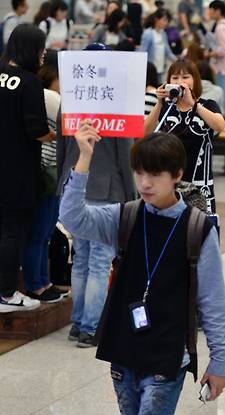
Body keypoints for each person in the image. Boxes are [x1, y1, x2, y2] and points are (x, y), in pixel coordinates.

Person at [59, 128, 225, 415]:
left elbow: (212, 302)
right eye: (139, 173)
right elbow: (72, 218)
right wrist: (84, 157)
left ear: (177, 174)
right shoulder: (124, 217)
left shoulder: (196, 229)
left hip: (167, 356)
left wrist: (219, 360)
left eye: (155, 174)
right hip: (123, 351)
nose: (145, 183)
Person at [56, 43, 137, 347]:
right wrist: (131, 194)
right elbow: (124, 154)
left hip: (75, 185)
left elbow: (64, 151)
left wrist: (62, 186)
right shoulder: (116, 101)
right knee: (101, 261)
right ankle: (91, 327)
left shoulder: (70, 101)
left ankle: (78, 323)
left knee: (81, 259)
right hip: (107, 190)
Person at [0, 24, 53, 313]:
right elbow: (36, 131)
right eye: (42, 49)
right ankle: (6, 294)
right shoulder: (29, 82)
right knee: (12, 232)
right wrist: (57, 135)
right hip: (17, 170)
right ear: (31, 49)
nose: (43, 55)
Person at [144, 59, 225, 217]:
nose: (180, 82)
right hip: (170, 183)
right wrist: (159, 103)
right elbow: (146, 133)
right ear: (168, 82)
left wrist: (194, 105)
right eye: (174, 78)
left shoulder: (207, 105)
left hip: (200, 183)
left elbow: (219, 125)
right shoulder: (166, 108)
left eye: (185, 77)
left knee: (200, 230)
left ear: (195, 80)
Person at [21, 50, 67, 304]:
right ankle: (36, 284)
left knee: (44, 232)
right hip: (46, 171)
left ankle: (41, 281)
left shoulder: (45, 94)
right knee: (40, 232)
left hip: (48, 171)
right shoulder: (49, 96)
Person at [207, 0, 225, 120]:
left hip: (221, 67)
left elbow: (223, 49)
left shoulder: (221, 28)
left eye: (211, 10)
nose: (209, 13)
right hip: (223, 66)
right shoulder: (223, 25)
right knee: (224, 95)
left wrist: (210, 54)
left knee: (224, 96)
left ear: (218, 11)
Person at [139, 9, 177, 83]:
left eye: (167, 21)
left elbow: (168, 52)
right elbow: (142, 52)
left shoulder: (163, 33)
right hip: (150, 70)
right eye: (164, 20)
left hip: (161, 69)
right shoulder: (148, 33)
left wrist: (178, 60)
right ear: (156, 19)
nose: (166, 23)